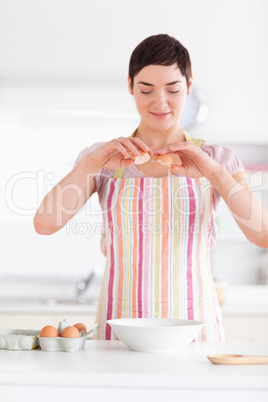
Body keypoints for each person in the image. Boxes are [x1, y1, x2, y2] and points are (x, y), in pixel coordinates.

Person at [34, 34, 268, 342]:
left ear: (189, 85)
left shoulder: (216, 159)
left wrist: (212, 172)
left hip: (194, 331)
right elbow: (45, 224)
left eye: (173, 89)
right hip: (120, 332)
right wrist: (90, 164)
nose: (160, 102)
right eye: (146, 90)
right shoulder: (102, 160)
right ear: (130, 86)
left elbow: (261, 234)